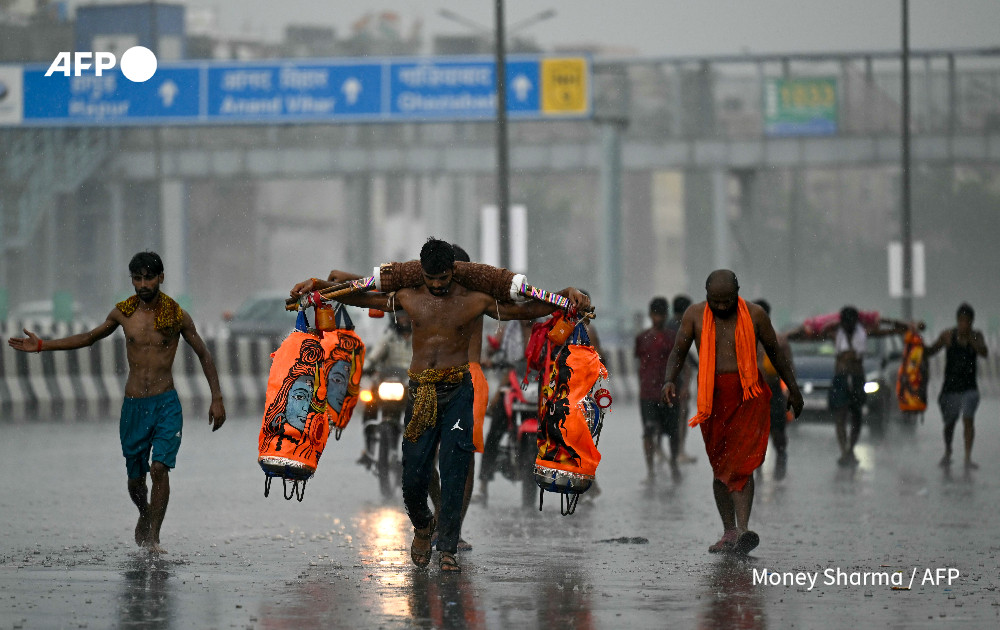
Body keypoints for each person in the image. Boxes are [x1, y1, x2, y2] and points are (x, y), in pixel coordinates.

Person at [293, 238, 589, 573]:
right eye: (431, 279)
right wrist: (321, 288)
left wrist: (564, 295)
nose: (436, 286)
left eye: (443, 279)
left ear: (454, 273)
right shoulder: (407, 295)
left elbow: (524, 309)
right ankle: (423, 525)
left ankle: (448, 546)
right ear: (423, 273)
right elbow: (363, 295)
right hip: (420, 390)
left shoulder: (474, 300)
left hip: (458, 389)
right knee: (413, 473)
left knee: (454, 469)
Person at [7, 252, 226, 554]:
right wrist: (43, 345)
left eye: (148, 277)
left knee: (160, 468)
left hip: (166, 404)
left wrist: (217, 399)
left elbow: (203, 353)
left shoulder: (176, 315)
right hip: (134, 406)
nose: (143, 284)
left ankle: (153, 539)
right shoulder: (124, 313)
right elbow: (89, 337)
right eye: (137, 278)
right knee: (136, 480)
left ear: (161, 277)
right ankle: (144, 512)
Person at [662, 270, 802, 555]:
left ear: (738, 292)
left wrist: (795, 390)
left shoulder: (755, 314)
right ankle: (729, 531)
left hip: (748, 394)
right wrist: (669, 380)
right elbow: (678, 351)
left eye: (728, 301)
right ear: (706, 295)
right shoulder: (694, 315)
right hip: (712, 396)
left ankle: (744, 529)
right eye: (717, 301)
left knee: (743, 463)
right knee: (720, 466)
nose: (723, 307)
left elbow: (776, 353)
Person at [789, 307, 910, 466]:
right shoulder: (834, 333)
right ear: (842, 322)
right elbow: (801, 336)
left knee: (857, 416)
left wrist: (883, 321)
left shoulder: (865, 332)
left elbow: (899, 329)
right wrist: (804, 328)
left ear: (857, 322)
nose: (849, 326)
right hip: (841, 378)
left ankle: (850, 449)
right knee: (840, 416)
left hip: (857, 377)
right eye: (846, 323)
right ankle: (844, 451)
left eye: (852, 323)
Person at [925, 303, 989, 469]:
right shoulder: (947, 336)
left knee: (968, 420)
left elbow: (984, 352)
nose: (964, 325)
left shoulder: (976, 336)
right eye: (961, 321)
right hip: (950, 388)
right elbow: (932, 350)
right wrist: (917, 349)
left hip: (969, 388)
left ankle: (968, 457)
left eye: (967, 322)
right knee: (949, 424)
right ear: (957, 321)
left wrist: (971, 341)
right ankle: (948, 451)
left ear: (972, 322)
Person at [634, 296, 680, 483]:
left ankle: (674, 462)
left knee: (673, 432)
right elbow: (639, 364)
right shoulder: (642, 338)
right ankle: (650, 469)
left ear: (665, 315)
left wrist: (682, 388)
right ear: (650, 315)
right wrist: (641, 385)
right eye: (655, 315)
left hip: (669, 391)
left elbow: (680, 361)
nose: (657, 319)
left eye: (660, 315)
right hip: (648, 393)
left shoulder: (673, 338)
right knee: (648, 430)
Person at [753, 299, 793, 479]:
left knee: (778, 432)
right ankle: (756, 474)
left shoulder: (778, 340)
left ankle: (780, 466)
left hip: (773, 390)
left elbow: (789, 368)